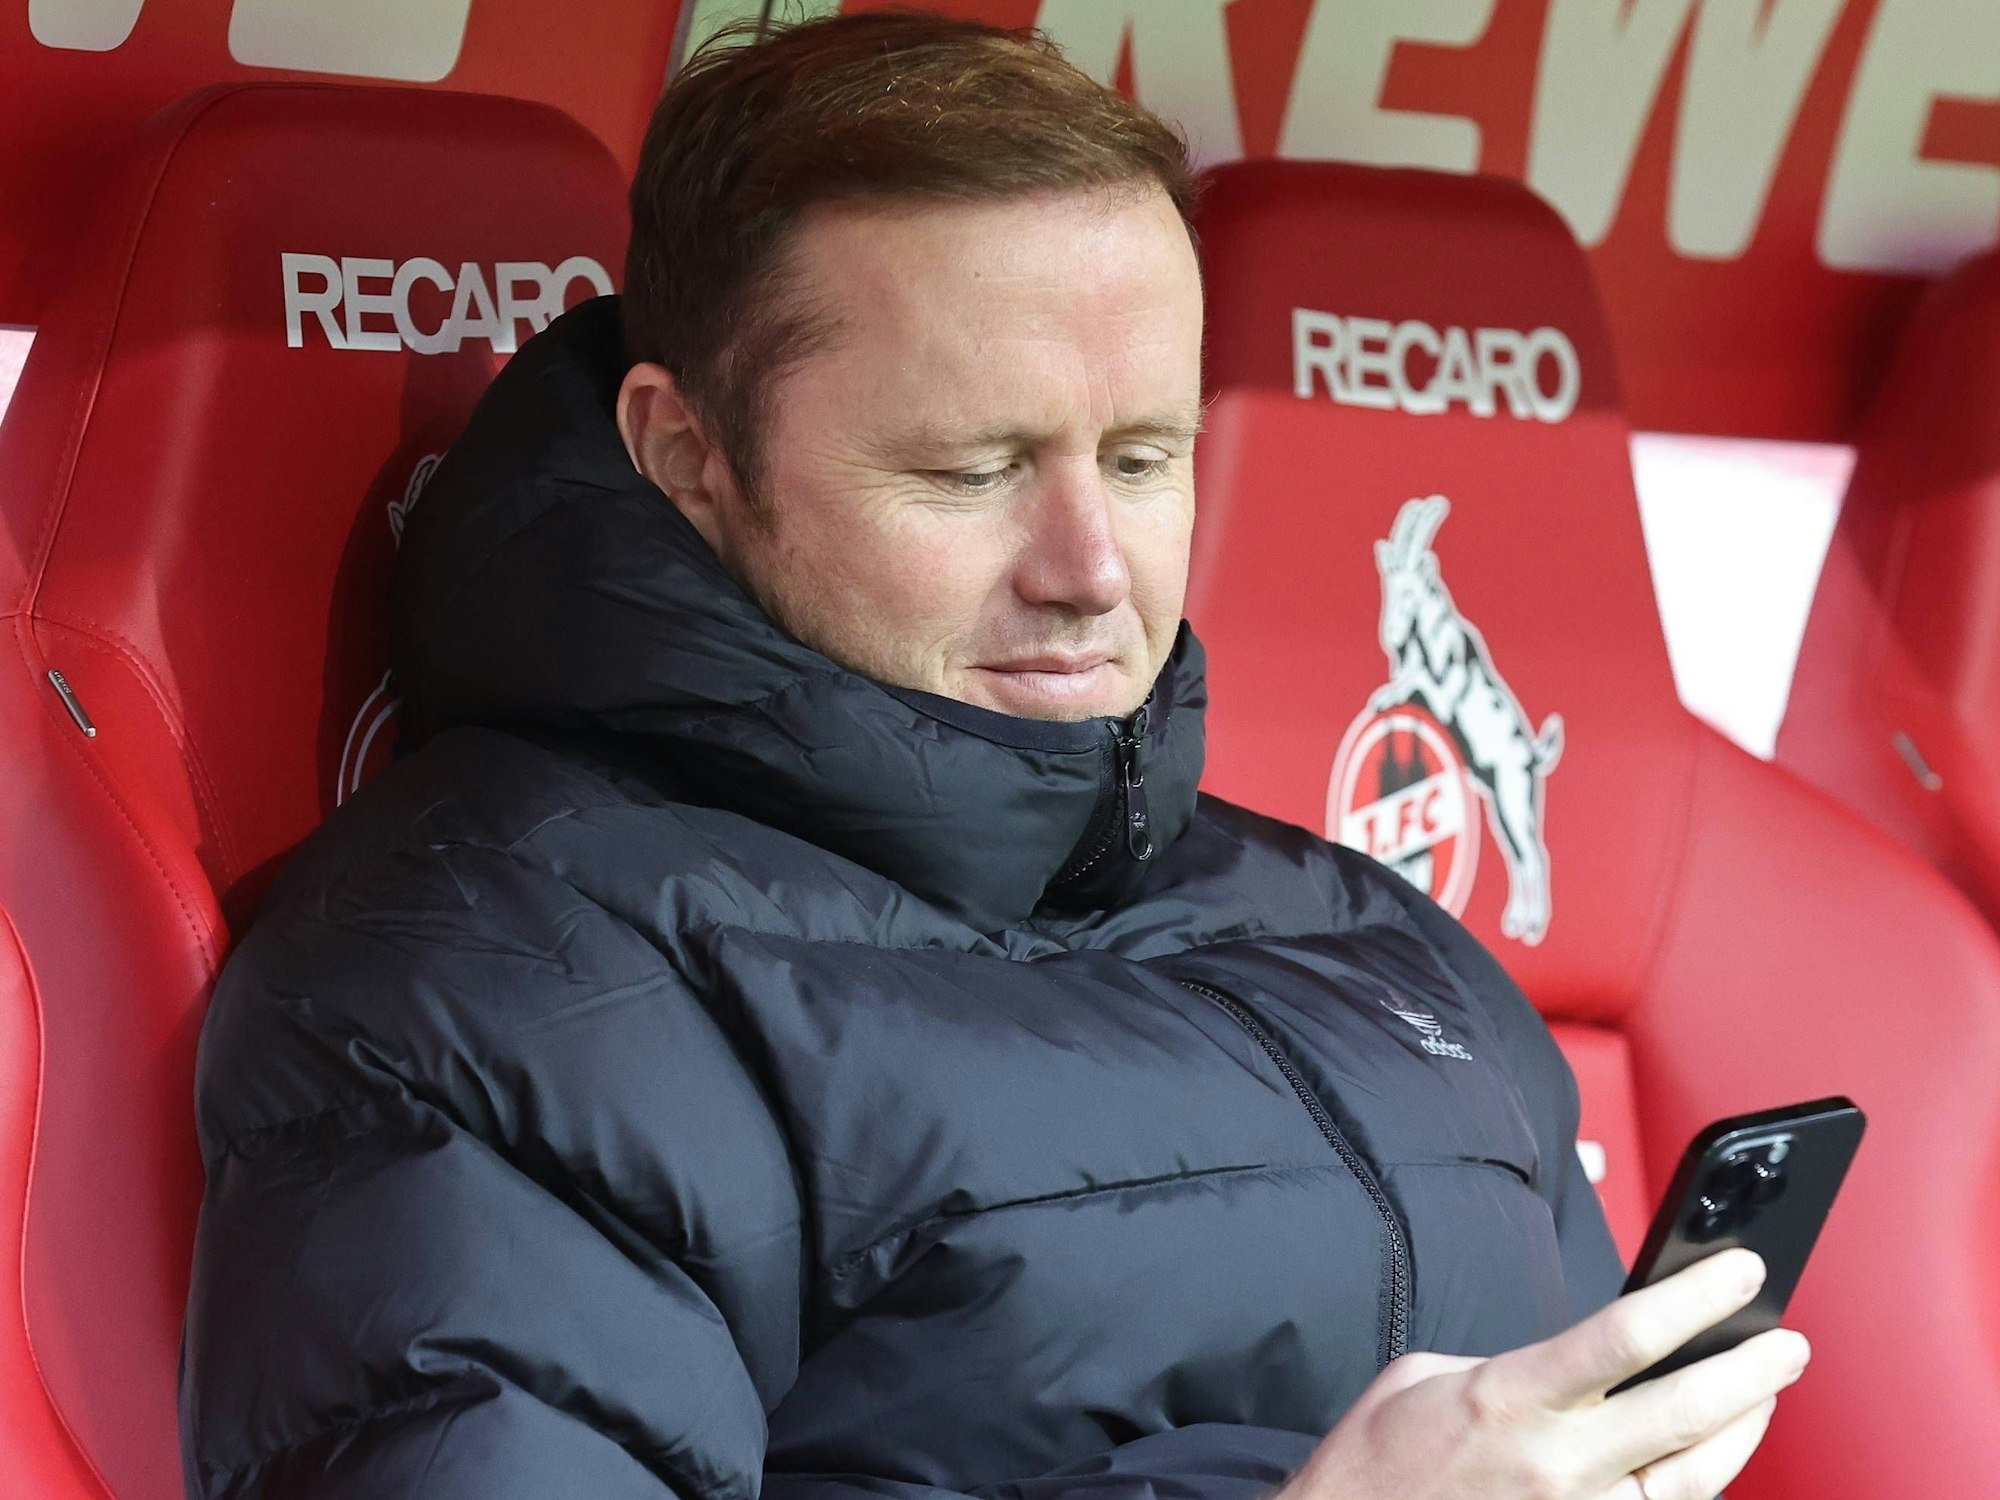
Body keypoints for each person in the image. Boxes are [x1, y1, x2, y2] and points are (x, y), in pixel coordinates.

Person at [177, 13, 1807, 1500]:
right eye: (972, 470)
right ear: (689, 455)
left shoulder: (1367, 935)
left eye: (1147, 456)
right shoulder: (485, 991)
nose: (1091, 567)